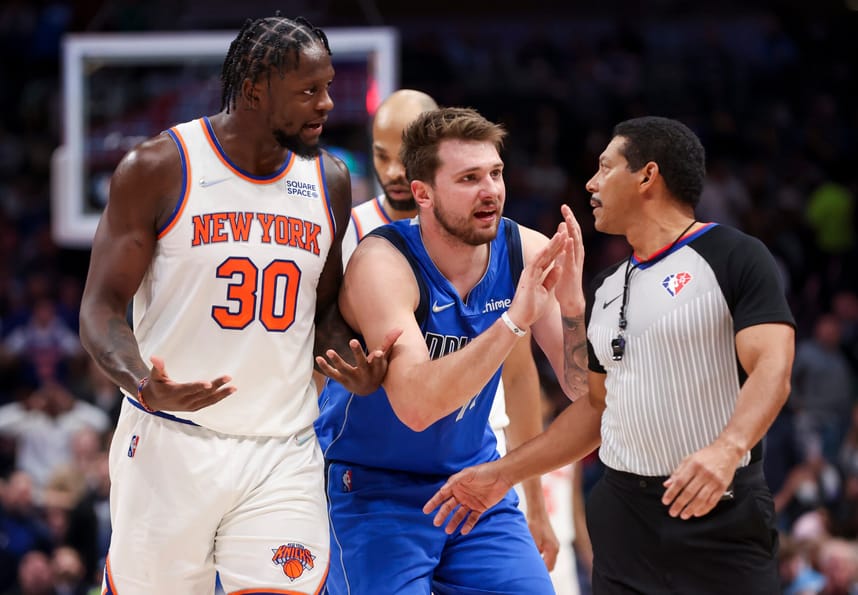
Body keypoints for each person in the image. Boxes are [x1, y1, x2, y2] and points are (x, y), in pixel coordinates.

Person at [78, 15, 390, 594]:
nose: (326, 103)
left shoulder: (330, 180)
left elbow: (319, 314)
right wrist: (143, 381)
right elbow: (100, 309)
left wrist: (351, 362)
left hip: (282, 450)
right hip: (170, 443)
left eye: (327, 86)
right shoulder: (159, 168)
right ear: (253, 90)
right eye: (308, 91)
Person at [425, 116, 796, 594]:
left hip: (718, 512)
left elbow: (774, 367)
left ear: (647, 176)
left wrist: (728, 448)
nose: (591, 183)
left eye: (605, 168)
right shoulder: (606, 288)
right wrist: (502, 474)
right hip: (623, 518)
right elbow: (596, 408)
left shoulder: (735, 256)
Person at [314, 107, 601, 594]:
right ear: (422, 193)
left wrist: (572, 306)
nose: (490, 190)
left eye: (495, 173)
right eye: (469, 178)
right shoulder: (382, 264)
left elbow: (582, 390)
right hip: (375, 488)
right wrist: (513, 322)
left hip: (473, 482)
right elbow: (417, 407)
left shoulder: (524, 252)